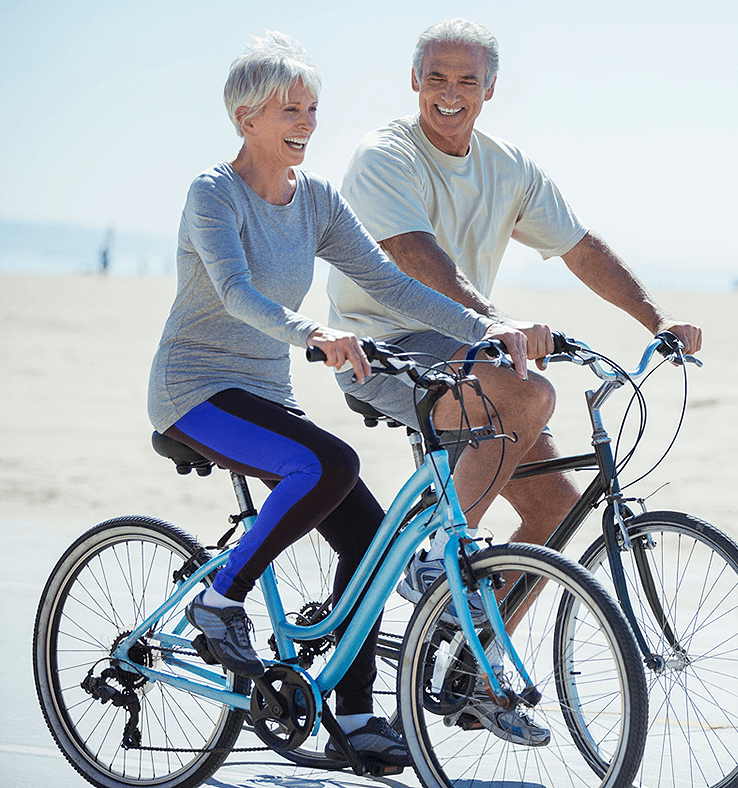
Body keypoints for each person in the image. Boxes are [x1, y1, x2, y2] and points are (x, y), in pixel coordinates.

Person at [146, 31, 527, 768]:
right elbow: (236, 292)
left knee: (369, 539)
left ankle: (352, 720)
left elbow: (389, 283)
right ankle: (219, 602)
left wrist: (487, 329)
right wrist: (312, 332)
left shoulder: (315, 199)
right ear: (246, 116)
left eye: (313, 108)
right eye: (291, 108)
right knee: (330, 463)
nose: (307, 121)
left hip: (266, 393)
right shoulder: (212, 193)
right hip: (195, 389)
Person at [324, 18, 702, 739]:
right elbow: (412, 254)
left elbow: (581, 247)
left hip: (469, 346)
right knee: (528, 390)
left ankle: (466, 667)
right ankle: (437, 557)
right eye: (436, 77)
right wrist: (493, 320)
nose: (450, 92)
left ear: (490, 89)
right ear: (414, 82)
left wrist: (655, 320)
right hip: (384, 347)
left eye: (467, 80)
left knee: (556, 508)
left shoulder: (508, 167)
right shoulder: (384, 156)